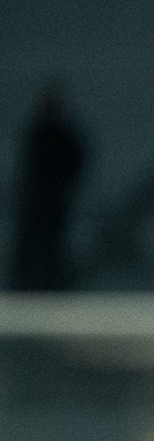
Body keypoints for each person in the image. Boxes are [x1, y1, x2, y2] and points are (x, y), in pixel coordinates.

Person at [10, 83, 89, 292]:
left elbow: (76, 161)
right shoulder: (40, 133)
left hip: (53, 198)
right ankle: (28, 282)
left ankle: (51, 282)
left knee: (52, 242)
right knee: (33, 242)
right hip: (40, 198)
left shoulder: (60, 134)